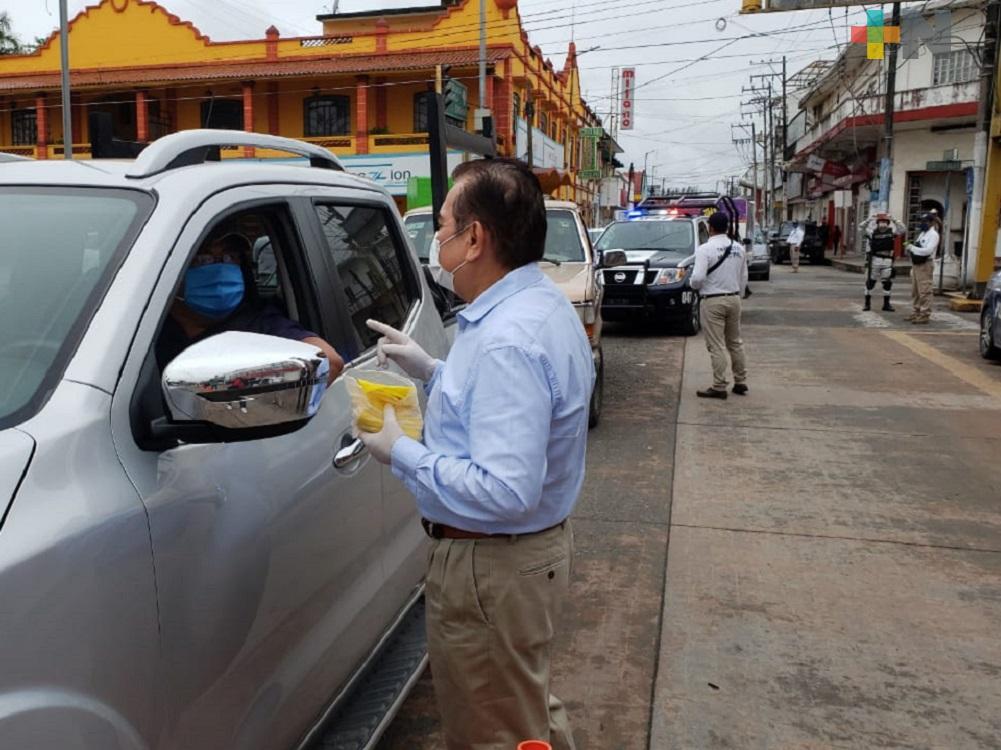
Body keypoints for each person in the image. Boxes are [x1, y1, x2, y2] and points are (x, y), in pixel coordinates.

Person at [358, 158, 592, 750]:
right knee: (523, 709)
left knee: (492, 730)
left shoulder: (507, 340)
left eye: (443, 227)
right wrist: (431, 371)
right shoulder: (534, 306)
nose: (437, 242)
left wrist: (404, 454)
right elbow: (496, 412)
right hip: (517, 564)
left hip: (493, 568)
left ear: (476, 238)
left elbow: (507, 491)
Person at [157, 231, 344, 381]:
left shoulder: (258, 325)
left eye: (229, 257)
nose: (220, 269)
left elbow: (329, 361)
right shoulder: (146, 325)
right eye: (202, 259)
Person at [690, 211, 748, 399]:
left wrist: (693, 285)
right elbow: (744, 277)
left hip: (713, 300)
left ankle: (719, 385)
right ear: (728, 227)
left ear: (710, 227)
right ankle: (740, 382)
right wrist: (738, 294)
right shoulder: (739, 248)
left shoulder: (705, 249)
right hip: (734, 298)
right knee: (735, 343)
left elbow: (698, 278)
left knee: (716, 345)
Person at [860, 212, 905, 312]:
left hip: (888, 260)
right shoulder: (872, 233)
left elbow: (902, 229)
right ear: (877, 223)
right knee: (871, 282)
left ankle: (886, 304)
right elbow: (861, 228)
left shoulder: (892, 233)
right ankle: (867, 304)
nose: (883, 223)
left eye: (885, 221)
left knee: (887, 282)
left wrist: (893, 219)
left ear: (888, 223)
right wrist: (869, 219)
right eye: (881, 221)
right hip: (875, 260)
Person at [905, 212, 940, 324]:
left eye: (925, 221)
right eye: (922, 221)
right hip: (916, 264)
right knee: (915, 290)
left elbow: (927, 251)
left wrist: (912, 248)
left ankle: (925, 314)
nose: (922, 223)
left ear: (931, 222)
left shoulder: (933, 235)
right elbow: (919, 246)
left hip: (925, 264)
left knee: (924, 290)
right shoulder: (923, 234)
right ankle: (916, 311)